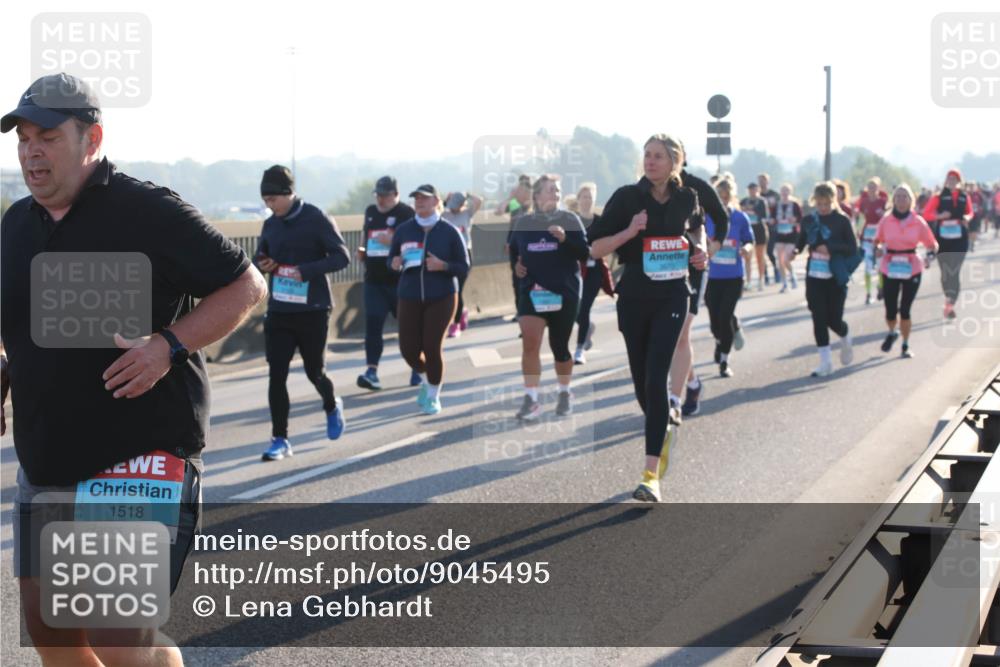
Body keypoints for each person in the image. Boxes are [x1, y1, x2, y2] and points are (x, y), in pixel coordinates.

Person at [1, 73, 268, 667]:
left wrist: (167, 345)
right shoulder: (15, 225)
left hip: (139, 453)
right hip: (47, 455)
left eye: (46, 136)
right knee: (55, 638)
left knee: (115, 638)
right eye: (22, 139)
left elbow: (247, 284)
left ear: (91, 136)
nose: (30, 152)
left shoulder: (147, 212)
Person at [588, 134, 705, 503]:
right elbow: (595, 249)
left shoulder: (687, 197)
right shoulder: (626, 198)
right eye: (647, 155)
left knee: (657, 378)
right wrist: (630, 230)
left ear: (675, 162)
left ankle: (650, 475)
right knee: (643, 386)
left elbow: (696, 228)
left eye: (658, 156)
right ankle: (663, 425)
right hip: (635, 297)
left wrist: (698, 249)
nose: (650, 162)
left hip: (673, 294)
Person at [255, 165, 351, 461]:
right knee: (277, 375)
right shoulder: (270, 224)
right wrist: (264, 263)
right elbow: (260, 255)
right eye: (265, 201)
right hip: (280, 310)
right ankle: (280, 439)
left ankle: (332, 404)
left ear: (288, 194)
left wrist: (305, 271)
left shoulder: (316, 218)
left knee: (314, 371)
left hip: (313, 309)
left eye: (273, 200)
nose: (270, 206)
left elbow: (341, 257)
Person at [509, 174, 591, 420]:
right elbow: (513, 250)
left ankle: (564, 392)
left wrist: (565, 238)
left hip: (564, 292)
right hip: (532, 291)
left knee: (560, 347)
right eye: (549, 190)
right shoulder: (523, 223)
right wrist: (517, 267)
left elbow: (584, 253)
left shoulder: (569, 219)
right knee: (530, 344)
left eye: (557, 191)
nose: (554, 195)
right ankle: (531, 399)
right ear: (536, 195)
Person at [389, 184, 469, 415]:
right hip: (409, 294)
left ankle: (434, 395)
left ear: (436, 201)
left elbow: (464, 266)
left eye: (424, 198)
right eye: (416, 199)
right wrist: (394, 263)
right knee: (408, 350)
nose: (419, 202)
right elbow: (392, 258)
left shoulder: (449, 231)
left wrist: (443, 266)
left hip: (442, 295)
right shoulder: (405, 230)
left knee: (432, 345)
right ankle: (427, 379)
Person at [671, 156, 730, 419]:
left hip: (694, 266)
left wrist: (712, 247)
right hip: (663, 268)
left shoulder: (695, 187)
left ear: (680, 159)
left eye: (667, 156)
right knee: (672, 336)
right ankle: (693, 383)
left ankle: (676, 398)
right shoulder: (647, 187)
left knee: (680, 331)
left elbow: (720, 216)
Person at [356, 176, 419, 390]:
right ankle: (371, 371)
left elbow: (415, 244)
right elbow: (366, 236)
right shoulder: (370, 212)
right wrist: (362, 250)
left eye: (385, 195)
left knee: (408, 327)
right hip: (374, 280)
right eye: (378, 195)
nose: (381, 200)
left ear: (396, 194)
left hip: (400, 281)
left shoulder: (406, 214)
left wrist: (393, 241)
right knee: (373, 328)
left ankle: (417, 367)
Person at [794, 181, 858, 377]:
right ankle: (825, 362)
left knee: (834, 320)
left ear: (834, 201)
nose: (822, 208)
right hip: (814, 275)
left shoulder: (842, 220)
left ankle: (845, 336)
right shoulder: (809, 221)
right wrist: (794, 251)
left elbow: (852, 248)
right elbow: (802, 241)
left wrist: (830, 248)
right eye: (819, 204)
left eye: (826, 204)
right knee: (818, 317)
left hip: (835, 277)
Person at [873, 184, 938, 358]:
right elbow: (877, 240)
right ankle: (892, 331)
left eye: (905, 197)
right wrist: (878, 248)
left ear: (911, 200)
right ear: (893, 200)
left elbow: (932, 244)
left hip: (912, 267)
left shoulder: (918, 222)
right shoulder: (886, 220)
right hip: (890, 267)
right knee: (890, 309)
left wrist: (929, 256)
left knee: (905, 310)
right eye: (898, 197)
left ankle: (905, 344)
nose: (901, 201)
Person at [704, 175, 755, 377]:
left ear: (731, 197)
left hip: (733, 277)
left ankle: (724, 361)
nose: (723, 201)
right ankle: (723, 337)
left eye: (726, 197)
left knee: (724, 317)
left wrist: (747, 249)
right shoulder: (707, 217)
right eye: (719, 197)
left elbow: (749, 240)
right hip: (712, 277)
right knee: (715, 322)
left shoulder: (740, 218)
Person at [922, 169, 973, 320]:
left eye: (955, 178)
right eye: (949, 178)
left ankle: (950, 304)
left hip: (960, 238)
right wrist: (940, 216)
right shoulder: (938, 197)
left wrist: (967, 218)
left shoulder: (964, 196)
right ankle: (948, 299)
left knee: (955, 271)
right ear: (946, 180)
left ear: (959, 181)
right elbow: (926, 214)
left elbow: (970, 212)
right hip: (943, 239)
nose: (952, 181)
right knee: (945, 273)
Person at [573, 182, 613, 365]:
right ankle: (587, 326)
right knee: (574, 310)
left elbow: (608, 244)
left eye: (590, 197)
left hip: (594, 270)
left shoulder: (600, 221)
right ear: (578, 199)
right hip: (575, 271)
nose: (587, 200)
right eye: (584, 197)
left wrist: (595, 250)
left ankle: (579, 349)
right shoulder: (572, 221)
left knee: (586, 307)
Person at [442, 191, 483, 338]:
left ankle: (455, 323)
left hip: (464, 256)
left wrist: (468, 194)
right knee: (450, 290)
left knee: (457, 290)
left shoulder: (466, 214)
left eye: (456, 205)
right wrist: (446, 200)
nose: (453, 208)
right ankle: (462, 312)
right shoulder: (444, 215)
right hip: (448, 256)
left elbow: (479, 201)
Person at [497, 174, 533, 318]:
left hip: (531, 246)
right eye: (520, 187)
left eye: (526, 187)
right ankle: (521, 311)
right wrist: (510, 197)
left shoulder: (536, 206)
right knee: (516, 281)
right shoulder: (515, 205)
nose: (522, 190)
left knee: (530, 279)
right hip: (514, 246)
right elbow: (499, 211)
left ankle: (532, 310)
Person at [855, 178, 889, 304]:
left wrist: (883, 214)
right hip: (867, 238)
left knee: (880, 266)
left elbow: (888, 219)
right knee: (868, 267)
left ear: (878, 189)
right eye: (869, 187)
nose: (872, 190)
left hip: (880, 239)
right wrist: (858, 231)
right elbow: (860, 219)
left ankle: (881, 287)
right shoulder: (863, 202)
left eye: (874, 187)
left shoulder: (883, 202)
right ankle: (868, 294)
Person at [773, 183, 803, 293]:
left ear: (790, 192)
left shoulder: (795, 205)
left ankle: (792, 275)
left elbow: (801, 218)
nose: (784, 193)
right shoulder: (777, 205)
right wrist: (773, 221)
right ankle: (784, 283)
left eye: (786, 191)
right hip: (780, 234)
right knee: (779, 260)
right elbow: (772, 218)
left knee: (786, 258)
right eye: (783, 191)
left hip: (791, 234)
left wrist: (794, 220)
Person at [741, 182, 769, 291]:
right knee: (747, 256)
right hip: (748, 231)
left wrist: (751, 210)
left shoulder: (762, 201)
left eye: (754, 189)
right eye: (750, 189)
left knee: (760, 256)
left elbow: (764, 215)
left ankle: (761, 279)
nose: (752, 191)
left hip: (760, 230)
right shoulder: (744, 201)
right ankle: (748, 281)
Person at [759, 173, 781, 285]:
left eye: (763, 180)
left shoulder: (774, 195)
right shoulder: (757, 196)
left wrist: (774, 219)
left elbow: (780, 209)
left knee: (769, 251)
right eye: (760, 181)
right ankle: (765, 274)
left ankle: (776, 270)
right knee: (761, 252)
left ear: (768, 181)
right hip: (761, 228)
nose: (761, 183)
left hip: (772, 227)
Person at [968, 181, 984, 252]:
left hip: (976, 215)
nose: (971, 187)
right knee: (969, 231)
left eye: (973, 186)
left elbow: (983, 202)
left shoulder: (978, 195)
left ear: (975, 187)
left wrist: (980, 209)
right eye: (970, 186)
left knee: (974, 231)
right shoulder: (966, 194)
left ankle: (972, 244)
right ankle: (970, 242)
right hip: (968, 215)